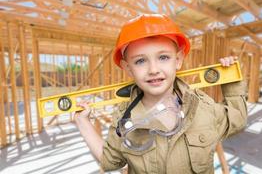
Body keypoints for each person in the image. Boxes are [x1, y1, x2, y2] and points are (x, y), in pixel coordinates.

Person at [74, 14, 247, 174]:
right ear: (128, 68)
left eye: (163, 57)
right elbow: (109, 161)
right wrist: (83, 123)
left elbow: (237, 119)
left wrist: (231, 80)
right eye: (140, 61)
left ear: (178, 60)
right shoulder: (124, 118)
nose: (154, 70)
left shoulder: (201, 107)